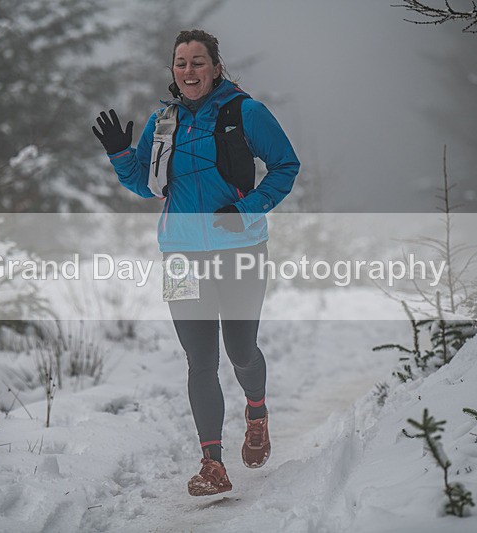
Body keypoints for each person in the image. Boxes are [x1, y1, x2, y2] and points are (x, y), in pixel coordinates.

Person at [92, 29, 300, 496]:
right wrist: (120, 154)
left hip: (240, 250)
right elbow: (147, 186)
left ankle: (257, 411)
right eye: (181, 63)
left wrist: (246, 210)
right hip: (181, 256)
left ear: (216, 68)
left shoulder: (246, 112)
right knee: (200, 361)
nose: (189, 70)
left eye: (198, 62)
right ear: (173, 70)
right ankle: (212, 464)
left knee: (241, 351)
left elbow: (286, 166)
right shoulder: (162, 122)